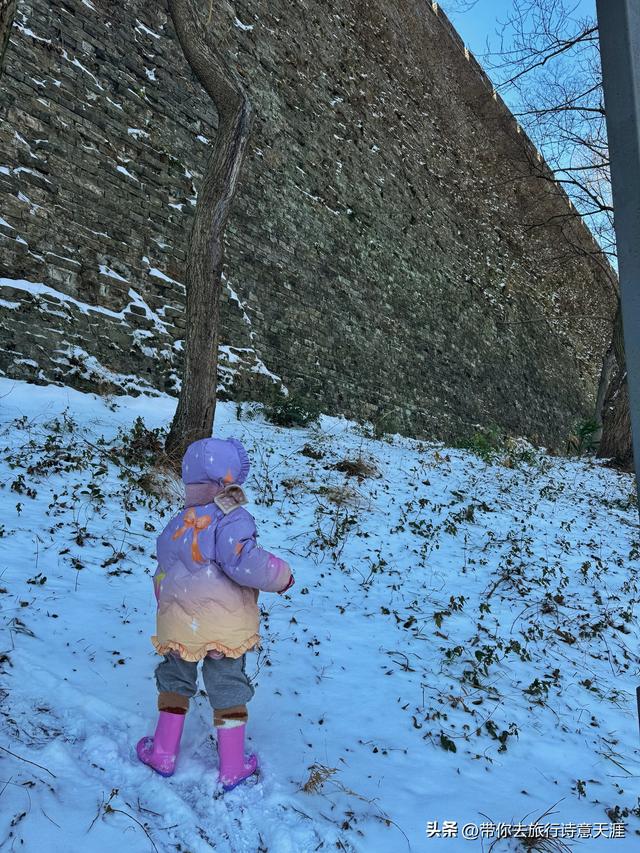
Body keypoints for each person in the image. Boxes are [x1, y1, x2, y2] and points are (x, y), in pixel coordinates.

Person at [136, 436, 294, 791]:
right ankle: (233, 765)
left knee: (175, 676)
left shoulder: (177, 522)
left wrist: (167, 604)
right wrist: (281, 575)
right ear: (229, 480)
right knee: (226, 683)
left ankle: (163, 751)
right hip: (222, 625)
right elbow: (243, 561)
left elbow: (163, 569)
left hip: (179, 622)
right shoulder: (231, 518)